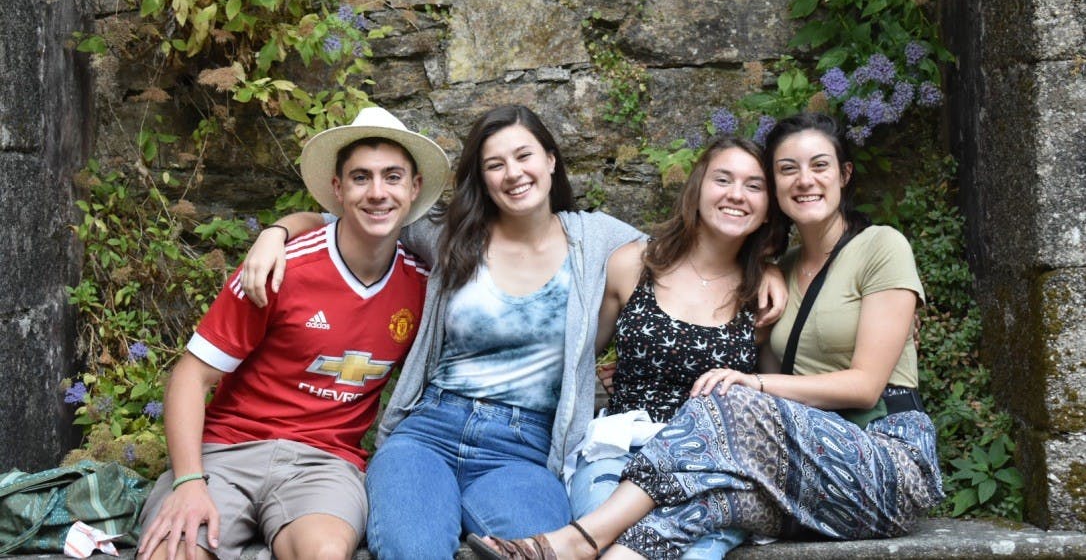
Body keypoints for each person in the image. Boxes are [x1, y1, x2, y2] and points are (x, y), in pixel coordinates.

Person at [239, 106, 787, 560]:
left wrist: (768, 267)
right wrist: (275, 231)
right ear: (483, 177)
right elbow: (363, 215)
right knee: (413, 550)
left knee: (540, 551)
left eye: (524, 156)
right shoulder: (452, 237)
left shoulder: (598, 241)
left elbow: (693, 252)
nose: (512, 173)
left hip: (522, 450)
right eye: (494, 164)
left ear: (550, 161)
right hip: (427, 433)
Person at [469, 111, 944, 560]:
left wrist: (748, 384)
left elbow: (863, 386)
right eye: (788, 169)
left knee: (726, 400)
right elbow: (572, 354)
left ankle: (580, 540)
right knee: (690, 517)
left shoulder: (881, 245)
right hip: (804, 462)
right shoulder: (781, 273)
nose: (804, 179)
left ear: (844, 174)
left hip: (884, 457)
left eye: (820, 166)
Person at [136, 106, 451, 560]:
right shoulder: (280, 268)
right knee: (175, 551)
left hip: (324, 464)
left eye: (393, 177)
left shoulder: (421, 286)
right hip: (228, 451)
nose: (378, 192)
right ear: (337, 190)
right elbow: (191, 377)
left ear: (414, 188)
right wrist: (188, 482)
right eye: (361, 178)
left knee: (323, 554)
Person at [570, 136, 779, 560]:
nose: (737, 194)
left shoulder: (763, 294)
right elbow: (576, 359)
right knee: (608, 538)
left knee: (695, 552)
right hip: (620, 450)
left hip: (710, 470)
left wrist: (773, 267)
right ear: (698, 187)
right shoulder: (633, 264)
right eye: (724, 179)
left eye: (754, 186)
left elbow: (771, 393)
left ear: (768, 209)